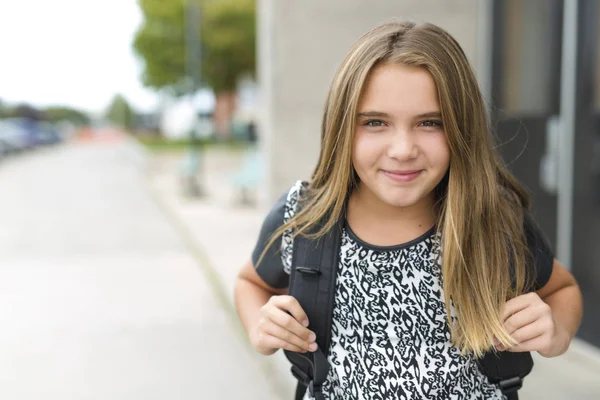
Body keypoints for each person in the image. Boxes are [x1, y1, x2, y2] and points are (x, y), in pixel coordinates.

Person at [233, 21, 583, 399]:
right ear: (341, 128)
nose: (402, 149)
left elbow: (562, 288)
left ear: (462, 129)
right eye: (375, 122)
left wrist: (557, 333)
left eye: (430, 123)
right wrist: (259, 325)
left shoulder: (492, 218)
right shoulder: (303, 218)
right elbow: (251, 282)